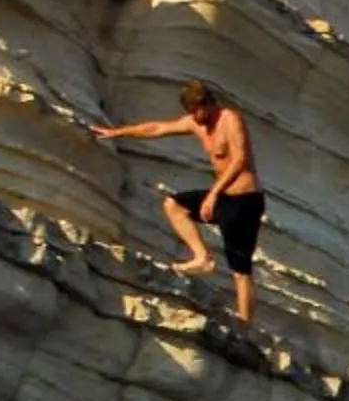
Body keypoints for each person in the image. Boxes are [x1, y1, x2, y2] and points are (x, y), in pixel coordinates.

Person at [84, 80, 267, 323]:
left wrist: (212, 195)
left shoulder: (229, 119)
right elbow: (157, 128)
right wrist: (117, 133)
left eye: (197, 111)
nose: (195, 117)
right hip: (223, 195)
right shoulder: (196, 123)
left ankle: (245, 324)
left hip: (245, 200)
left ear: (209, 104)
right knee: (174, 205)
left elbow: (239, 159)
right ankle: (202, 258)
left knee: (240, 270)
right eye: (190, 113)